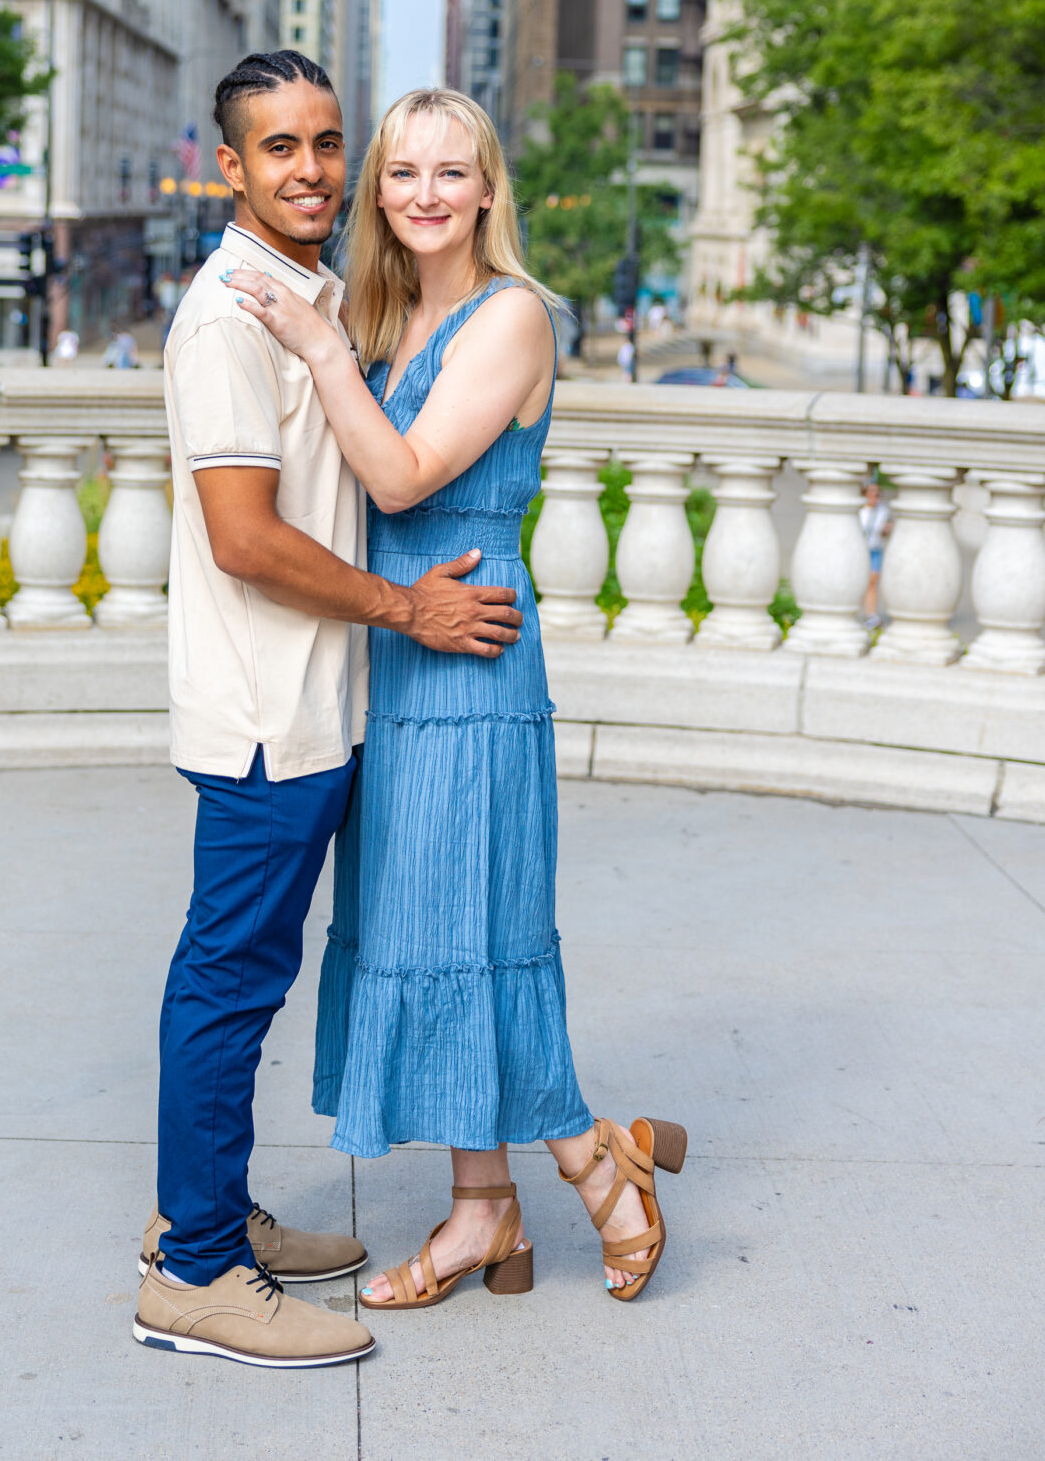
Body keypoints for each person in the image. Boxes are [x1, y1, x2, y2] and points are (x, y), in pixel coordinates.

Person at [224, 88, 686, 1316]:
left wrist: (314, 346)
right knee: (427, 934)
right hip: (399, 652)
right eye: (400, 172)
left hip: (473, 659)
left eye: (451, 171)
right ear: (380, 190)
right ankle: (484, 1207)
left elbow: (405, 470)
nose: (423, 193)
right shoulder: (386, 318)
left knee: (474, 937)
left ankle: (598, 1165)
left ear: (487, 189)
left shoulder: (512, 317)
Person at [133, 52, 525, 1370]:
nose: (307, 169)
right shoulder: (229, 322)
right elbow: (245, 538)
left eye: (324, 143)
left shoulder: (309, 295)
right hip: (265, 714)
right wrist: (408, 610)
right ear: (228, 165)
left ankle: (208, 1216)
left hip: (315, 704)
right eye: (276, 148)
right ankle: (193, 1273)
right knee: (229, 979)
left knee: (245, 970)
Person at [859, 478, 893, 629]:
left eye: (878, 493)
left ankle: (871, 614)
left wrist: (886, 530)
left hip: (875, 549)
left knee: (872, 581)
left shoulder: (883, 511)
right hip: (860, 550)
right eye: (872, 492)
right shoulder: (859, 511)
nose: (875, 496)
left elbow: (885, 534)